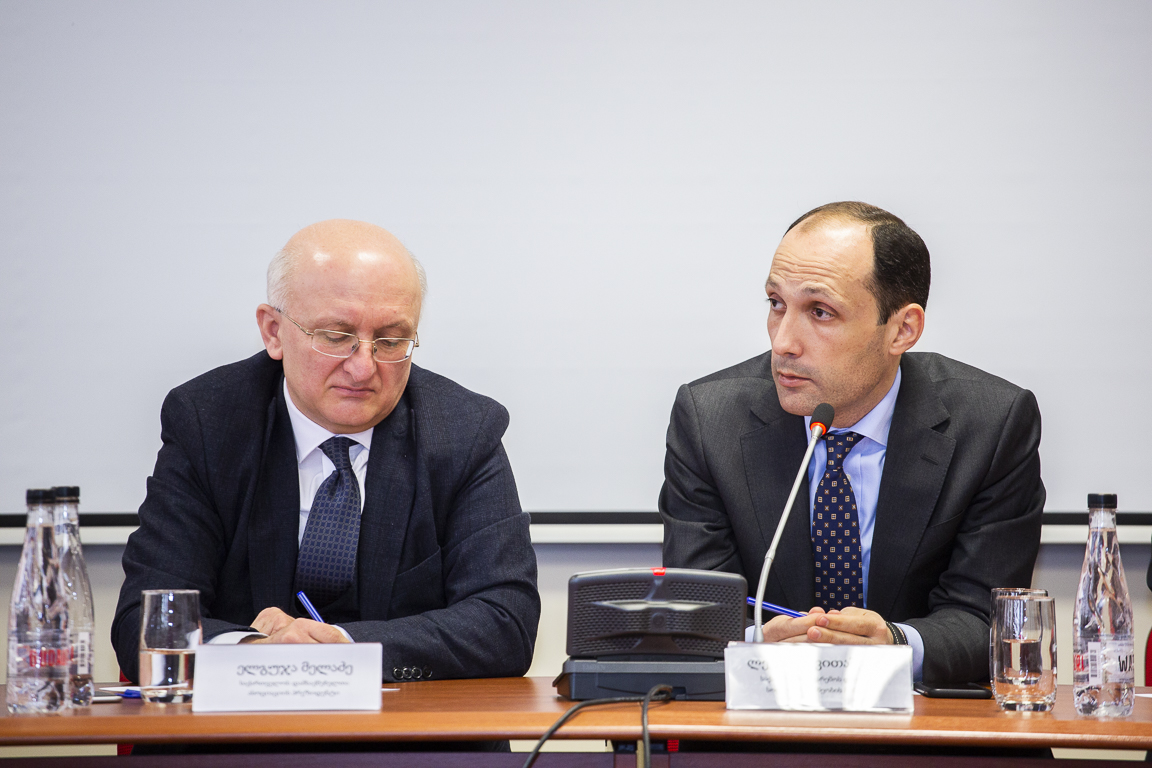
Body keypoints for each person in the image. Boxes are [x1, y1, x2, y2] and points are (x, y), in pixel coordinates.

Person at [112, 219, 540, 686]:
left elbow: (506, 622)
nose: (363, 368)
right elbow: (146, 621)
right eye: (336, 336)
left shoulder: (463, 429)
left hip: (404, 725)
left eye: (391, 341)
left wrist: (342, 648)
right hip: (242, 724)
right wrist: (257, 653)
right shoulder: (208, 422)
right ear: (274, 332)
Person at [659, 201, 1044, 685]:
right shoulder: (709, 421)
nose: (783, 342)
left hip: (919, 719)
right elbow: (697, 615)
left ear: (902, 330)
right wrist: (753, 644)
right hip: (762, 714)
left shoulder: (991, 425)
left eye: (820, 312)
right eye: (776, 304)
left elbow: (988, 621)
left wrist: (894, 644)